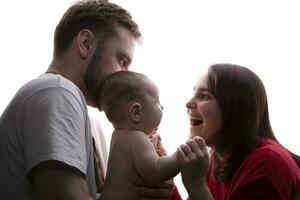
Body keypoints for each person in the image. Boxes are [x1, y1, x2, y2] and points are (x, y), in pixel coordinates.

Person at [0, 0, 174, 199]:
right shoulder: (57, 93)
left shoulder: (81, 113)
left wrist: (137, 186)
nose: (126, 75)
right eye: (121, 60)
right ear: (86, 44)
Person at [171, 63, 300, 200]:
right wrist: (166, 186)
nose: (188, 103)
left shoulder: (267, 161)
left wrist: (196, 184)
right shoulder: (215, 164)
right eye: (194, 94)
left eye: (204, 96)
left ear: (236, 108)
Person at [96, 70, 208, 200]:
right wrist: (181, 155)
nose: (162, 107)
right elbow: (156, 171)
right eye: (157, 102)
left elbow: (139, 165)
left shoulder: (118, 136)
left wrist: (152, 149)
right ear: (136, 112)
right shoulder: (137, 138)